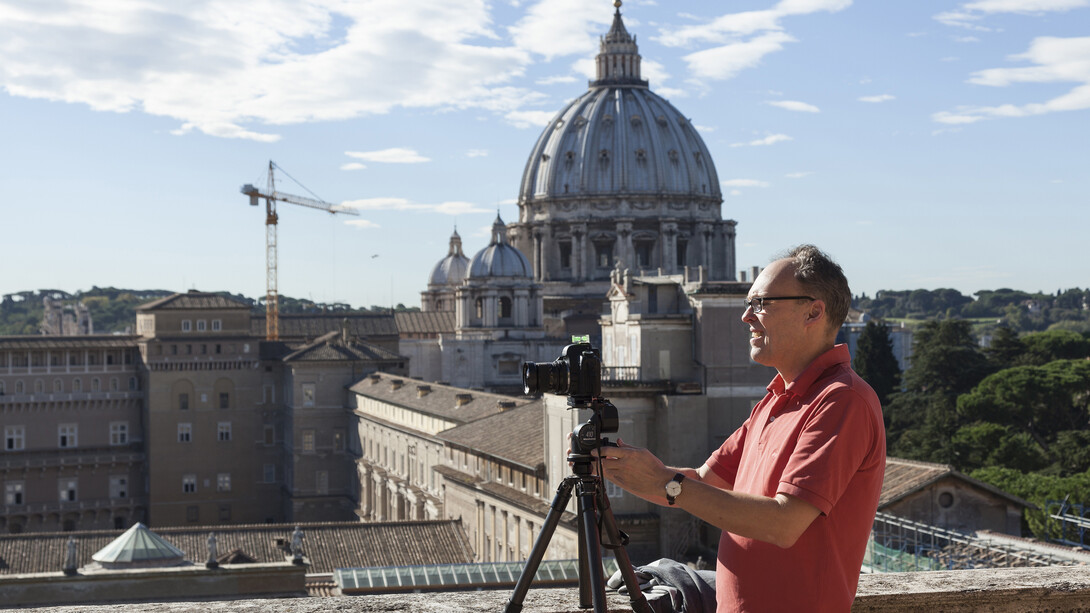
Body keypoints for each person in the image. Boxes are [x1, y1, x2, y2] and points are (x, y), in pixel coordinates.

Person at [593, 245, 886, 612]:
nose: (747, 316)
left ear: (813, 311)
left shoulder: (843, 401)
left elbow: (784, 522)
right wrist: (622, 468)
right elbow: (702, 482)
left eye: (761, 303)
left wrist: (666, 484)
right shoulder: (772, 401)